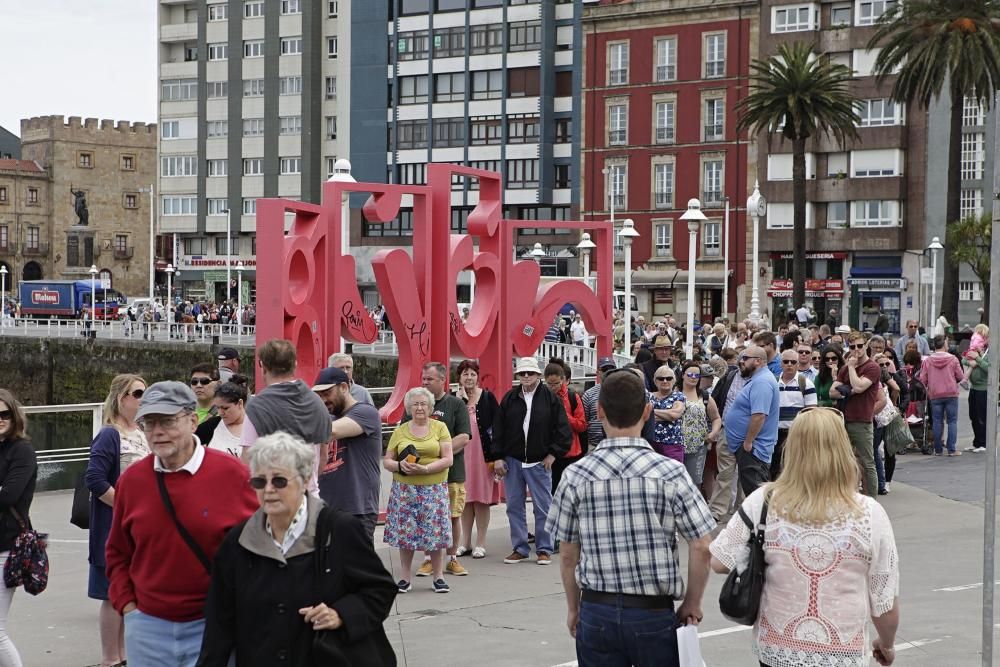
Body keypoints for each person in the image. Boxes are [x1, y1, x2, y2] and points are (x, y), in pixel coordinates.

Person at [546, 369, 715, 667]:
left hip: (597, 608)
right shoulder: (671, 473)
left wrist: (574, 607)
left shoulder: (576, 475)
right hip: (652, 610)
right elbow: (701, 545)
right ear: (648, 410)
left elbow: (568, 555)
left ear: (599, 411)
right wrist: (692, 601)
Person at [710, 408, 900, 667]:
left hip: (778, 648)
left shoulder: (765, 500)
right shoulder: (869, 513)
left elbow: (719, 561)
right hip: (841, 650)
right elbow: (884, 599)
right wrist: (886, 644)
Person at [197, 432, 397, 667]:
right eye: (259, 481)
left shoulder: (339, 530)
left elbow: (379, 589)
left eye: (279, 480)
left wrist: (341, 614)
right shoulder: (238, 541)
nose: (268, 489)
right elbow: (220, 621)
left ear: (303, 480)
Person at [106, 382, 258, 667]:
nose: (157, 431)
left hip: (214, 626)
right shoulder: (132, 482)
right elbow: (117, 551)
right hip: (147, 628)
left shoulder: (233, 476)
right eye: (149, 423)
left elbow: (260, 550)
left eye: (167, 421)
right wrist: (128, 607)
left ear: (192, 421)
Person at [86, 374, 149, 667]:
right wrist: (123, 507)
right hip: (114, 526)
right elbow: (95, 480)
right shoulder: (109, 434)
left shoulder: (144, 432)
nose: (142, 398)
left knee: (130, 593)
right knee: (112, 594)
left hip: (141, 526)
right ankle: (110, 658)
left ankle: (124, 656)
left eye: (144, 393)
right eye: (137, 393)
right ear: (122, 398)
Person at [491, 357, 571, 566]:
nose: (526, 376)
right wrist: (498, 456)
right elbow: (498, 429)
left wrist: (553, 454)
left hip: (539, 461)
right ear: (518, 375)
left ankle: (544, 549)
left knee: (543, 506)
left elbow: (563, 430)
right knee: (514, 506)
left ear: (538, 375)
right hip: (513, 460)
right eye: (523, 373)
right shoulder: (509, 398)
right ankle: (520, 548)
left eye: (530, 373)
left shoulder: (551, 399)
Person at [383, 387, 454, 594]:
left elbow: (448, 458)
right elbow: (387, 460)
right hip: (405, 490)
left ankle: (438, 577)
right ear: (408, 408)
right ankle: (405, 577)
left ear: (430, 407)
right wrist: (399, 466)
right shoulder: (400, 430)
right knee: (406, 535)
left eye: (423, 404)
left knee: (435, 534)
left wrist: (425, 469)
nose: (420, 407)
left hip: (433, 488)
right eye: (415, 404)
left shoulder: (440, 427)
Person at [241, 339, 331, 494]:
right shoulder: (317, 403)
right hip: (310, 499)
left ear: (262, 366)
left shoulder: (258, 406)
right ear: (295, 365)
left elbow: (247, 461)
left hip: (274, 499)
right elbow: (323, 456)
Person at [409, 362, 472, 578]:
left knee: (453, 516)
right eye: (423, 378)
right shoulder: (415, 402)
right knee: (426, 516)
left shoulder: (455, 404)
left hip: (451, 473)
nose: (425, 382)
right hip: (422, 474)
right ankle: (428, 559)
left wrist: (438, 453)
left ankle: (452, 558)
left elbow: (464, 437)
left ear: (442, 380)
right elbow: (404, 433)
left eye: (430, 379)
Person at [311, 367, 384, 541]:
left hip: (357, 511)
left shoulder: (366, 413)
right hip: (325, 509)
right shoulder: (326, 418)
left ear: (344, 387)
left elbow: (330, 432)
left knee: (355, 567)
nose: (323, 400)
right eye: (319, 395)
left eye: (327, 393)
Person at [0, 390, 36, 667]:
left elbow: (8, 496)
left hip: (6, 547)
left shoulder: (21, 450)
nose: (0, 419)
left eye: (4, 414)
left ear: (14, 416)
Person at [454, 360, 501, 559]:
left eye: (472, 374)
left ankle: (481, 542)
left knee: (481, 499)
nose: (469, 378)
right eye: (465, 374)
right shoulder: (454, 399)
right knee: (464, 499)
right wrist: (461, 401)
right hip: (461, 455)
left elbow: (498, 427)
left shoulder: (488, 397)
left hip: (483, 456)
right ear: (459, 378)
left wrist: (499, 456)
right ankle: (465, 542)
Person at [830, 331, 882, 497]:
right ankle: (847, 497)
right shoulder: (845, 369)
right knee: (843, 462)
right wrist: (849, 390)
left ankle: (872, 501)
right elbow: (832, 392)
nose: (857, 350)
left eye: (860, 346)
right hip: (843, 419)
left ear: (866, 345)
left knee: (867, 463)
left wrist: (851, 370)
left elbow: (860, 386)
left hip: (862, 421)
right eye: (852, 347)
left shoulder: (872, 367)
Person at [723, 346, 780, 496]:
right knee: (755, 494)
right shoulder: (758, 379)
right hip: (749, 448)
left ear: (758, 361)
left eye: (745, 358)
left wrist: (748, 442)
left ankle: (763, 520)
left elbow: (759, 415)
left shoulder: (762, 382)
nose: (741, 361)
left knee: (757, 495)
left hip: (753, 449)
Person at [774, 349, 817, 480]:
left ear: (797, 364)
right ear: (781, 364)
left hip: (796, 434)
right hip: (775, 434)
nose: (789, 364)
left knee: (795, 470)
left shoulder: (806, 383)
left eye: (793, 362)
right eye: (786, 361)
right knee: (775, 469)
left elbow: (811, 412)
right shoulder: (773, 382)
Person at [545, 362, 587, 494]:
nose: (553, 387)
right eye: (549, 384)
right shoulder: (541, 397)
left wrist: (564, 416)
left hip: (571, 453)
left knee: (572, 492)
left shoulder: (572, 397)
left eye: (556, 383)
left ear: (563, 380)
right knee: (551, 493)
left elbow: (581, 425)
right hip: (549, 452)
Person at [919, 334, 965, 457]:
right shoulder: (953, 359)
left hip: (935, 394)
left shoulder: (928, 360)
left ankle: (938, 450)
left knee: (937, 421)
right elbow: (960, 377)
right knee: (952, 421)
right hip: (951, 393)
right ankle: (951, 449)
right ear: (944, 343)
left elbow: (922, 379)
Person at [679, 362, 722, 487]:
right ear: (683, 375)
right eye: (690, 374)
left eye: (697, 376)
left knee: (694, 482)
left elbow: (716, 418)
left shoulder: (704, 396)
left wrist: (713, 433)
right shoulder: (673, 394)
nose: (693, 377)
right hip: (675, 446)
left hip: (697, 447)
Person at [195, 376, 248, 457]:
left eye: (225, 408)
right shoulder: (212, 425)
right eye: (217, 408)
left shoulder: (256, 426)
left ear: (240, 403)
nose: (220, 412)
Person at [581, 358, 618, 452]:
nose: (608, 372)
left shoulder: (622, 391)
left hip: (617, 444)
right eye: (605, 370)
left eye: (611, 369)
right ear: (598, 372)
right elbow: (583, 420)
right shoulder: (589, 394)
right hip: (594, 445)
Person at [650, 366, 685, 462]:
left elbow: (674, 415)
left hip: (672, 445)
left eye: (669, 378)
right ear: (655, 381)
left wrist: (651, 411)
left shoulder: (679, 396)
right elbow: (641, 415)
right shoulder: (648, 396)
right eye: (661, 378)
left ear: (674, 380)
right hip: (650, 444)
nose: (665, 381)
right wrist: (667, 414)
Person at [963, 328, 989, 453]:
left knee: (982, 417)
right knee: (973, 416)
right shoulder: (973, 350)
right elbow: (963, 359)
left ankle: (983, 442)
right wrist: (971, 360)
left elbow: (989, 368)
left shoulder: (989, 352)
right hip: (973, 388)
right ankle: (976, 442)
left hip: (983, 389)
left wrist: (978, 359)